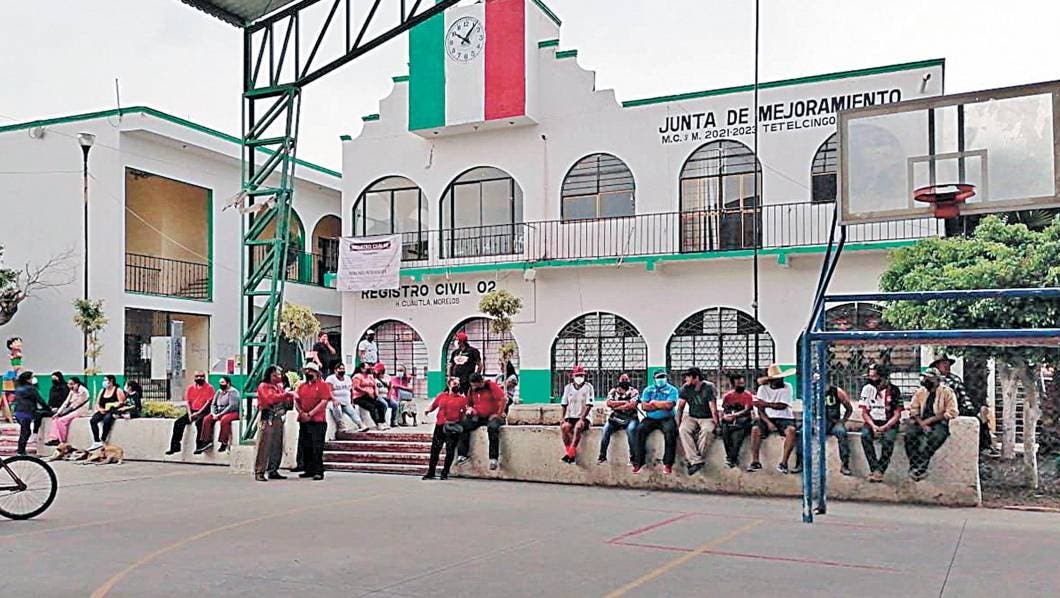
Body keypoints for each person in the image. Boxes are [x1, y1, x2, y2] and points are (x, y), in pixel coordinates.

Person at [933, 354, 995, 456]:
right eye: (944, 364)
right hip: (943, 408)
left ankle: (985, 446)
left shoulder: (955, 378)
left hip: (958, 406)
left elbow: (963, 395)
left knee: (980, 417)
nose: (947, 366)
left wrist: (970, 408)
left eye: (948, 364)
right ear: (937, 366)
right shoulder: (935, 380)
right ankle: (984, 447)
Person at [905, 367, 958, 481]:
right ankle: (914, 465)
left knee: (935, 437)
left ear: (937, 380)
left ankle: (921, 465)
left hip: (939, 422)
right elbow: (913, 409)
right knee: (909, 435)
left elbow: (951, 411)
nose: (925, 380)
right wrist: (922, 423)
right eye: (924, 378)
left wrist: (930, 420)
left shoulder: (947, 392)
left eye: (929, 378)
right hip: (921, 420)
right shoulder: (920, 392)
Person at [749, 364, 800, 474]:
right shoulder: (763, 389)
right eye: (778, 379)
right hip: (767, 417)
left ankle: (784, 463)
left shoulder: (787, 387)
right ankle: (755, 461)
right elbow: (760, 410)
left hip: (785, 417)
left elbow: (782, 405)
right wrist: (768, 422)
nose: (781, 380)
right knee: (755, 430)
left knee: (791, 431)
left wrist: (764, 403)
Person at [858, 365, 903, 482]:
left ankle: (881, 470)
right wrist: (873, 426)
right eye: (870, 376)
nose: (872, 379)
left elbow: (897, 414)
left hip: (889, 421)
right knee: (865, 436)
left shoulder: (894, 390)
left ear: (883, 377)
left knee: (888, 439)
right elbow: (864, 413)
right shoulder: (867, 389)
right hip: (872, 421)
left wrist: (885, 427)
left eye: (875, 376)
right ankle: (874, 468)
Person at [455, 373, 506, 470]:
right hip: (479, 416)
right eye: (472, 385)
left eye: (475, 385)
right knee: (463, 426)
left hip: (493, 416)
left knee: (492, 428)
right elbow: (469, 403)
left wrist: (498, 414)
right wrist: (471, 410)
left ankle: (493, 459)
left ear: (481, 382)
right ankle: (463, 455)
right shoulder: (472, 390)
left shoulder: (491, 386)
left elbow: (503, 399)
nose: (474, 387)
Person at [632, 370, 679, 475]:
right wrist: (661, 405)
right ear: (654, 379)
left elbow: (669, 405)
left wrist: (653, 403)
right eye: (659, 377)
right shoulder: (648, 390)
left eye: (663, 377)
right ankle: (638, 462)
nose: (661, 379)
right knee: (639, 430)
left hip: (667, 418)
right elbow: (644, 407)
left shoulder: (672, 390)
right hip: (651, 419)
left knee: (670, 432)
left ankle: (668, 464)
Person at [423, 376, 468, 480]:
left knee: (450, 450)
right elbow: (434, 405)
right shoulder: (442, 396)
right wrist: (428, 410)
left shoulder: (462, 399)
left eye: (458, 384)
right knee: (435, 449)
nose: (456, 386)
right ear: (449, 385)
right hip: (440, 424)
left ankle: (445, 472)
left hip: (452, 426)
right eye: (454, 384)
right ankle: (431, 472)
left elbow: (466, 412)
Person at [254, 366, 295, 482]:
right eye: (276, 375)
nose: (279, 377)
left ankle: (273, 469)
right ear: (270, 375)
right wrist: (286, 395)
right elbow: (270, 399)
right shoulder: (263, 386)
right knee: (264, 445)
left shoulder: (278, 387)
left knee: (277, 444)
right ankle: (260, 471)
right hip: (267, 416)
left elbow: (284, 401)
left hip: (278, 417)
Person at [676, 367, 719, 476]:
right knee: (683, 430)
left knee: (707, 431)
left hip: (707, 417)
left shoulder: (709, 387)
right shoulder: (685, 388)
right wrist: (677, 424)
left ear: (696, 377)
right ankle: (696, 461)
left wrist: (717, 424)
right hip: (692, 416)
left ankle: (694, 460)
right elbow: (680, 408)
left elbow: (713, 408)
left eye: (688, 377)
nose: (686, 379)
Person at [295, 362, 332, 480]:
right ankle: (308, 469)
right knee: (306, 445)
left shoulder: (322, 385)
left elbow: (324, 401)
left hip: (318, 420)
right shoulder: (302, 386)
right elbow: (296, 400)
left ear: (316, 373)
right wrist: (301, 412)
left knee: (317, 446)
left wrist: (311, 413)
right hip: (304, 420)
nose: (308, 373)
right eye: (307, 371)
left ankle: (318, 470)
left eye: (310, 371)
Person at [166, 371, 214, 455]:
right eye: (197, 376)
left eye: (201, 376)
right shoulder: (190, 388)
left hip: (203, 411)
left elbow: (208, 402)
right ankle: (175, 447)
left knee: (199, 423)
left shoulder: (209, 388)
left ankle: (199, 446)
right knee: (178, 423)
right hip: (192, 411)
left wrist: (198, 413)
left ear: (204, 377)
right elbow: (188, 402)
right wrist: (189, 414)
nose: (199, 378)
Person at [597, 373, 640, 465]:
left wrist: (616, 406)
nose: (624, 381)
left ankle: (634, 458)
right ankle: (602, 456)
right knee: (605, 430)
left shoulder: (634, 391)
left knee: (631, 430)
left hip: (631, 418)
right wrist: (625, 402)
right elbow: (609, 403)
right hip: (615, 418)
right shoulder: (613, 391)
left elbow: (632, 405)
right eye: (622, 380)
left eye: (626, 379)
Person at [559, 365, 594, 464]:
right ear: (573, 376)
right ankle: (569, 453)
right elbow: (564, 404)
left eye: (581, 375)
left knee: (578, 427)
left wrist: (582, 418)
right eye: (577, 375)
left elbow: (589, 404)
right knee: (564, 427)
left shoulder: (588, 387)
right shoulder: (568, 388)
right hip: (571, 416)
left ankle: (571, 452)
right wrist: (562, 418)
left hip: (584, 417)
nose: (579, 378)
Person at [196, 376, 240, 453]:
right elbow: (213, 404)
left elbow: (231, 406)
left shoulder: (233, 392)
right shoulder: (219, 392)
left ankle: (224, 442)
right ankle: (206, 441)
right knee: (207, 419)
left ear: (228, 383)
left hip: (231, 412)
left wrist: (219, 415)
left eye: (223, 382)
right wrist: (213, 413)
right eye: (220, 383)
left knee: (224, 420)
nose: (221, 384)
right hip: (218, 412)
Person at [719, 374, 754, 468]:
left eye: (742, 383)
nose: (741, 385)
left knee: (738, 436)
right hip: (730, 420)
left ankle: (732, 458)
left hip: (743, 420)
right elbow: (724, 410)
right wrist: (726, 417)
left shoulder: (747, 395)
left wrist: (735, 415)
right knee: (725, 432)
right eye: (738, 383)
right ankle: (730, 458)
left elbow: (747, 409)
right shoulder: (728, 396)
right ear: (733, 384)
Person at [12, 371, 50, 455]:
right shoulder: (31, 388)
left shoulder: (18, 388)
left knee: (25, 431)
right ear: (27, 379)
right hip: (26, 412)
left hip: (18, 412)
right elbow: (39, 400)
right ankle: (20, 451)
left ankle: (20, 450)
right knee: (26, 432)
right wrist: (48, 409)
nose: (33, 379)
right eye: (32, 377)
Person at [45, 377, 90, 446]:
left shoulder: (83, 391)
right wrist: (58, 413)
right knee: (55, 419)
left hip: (80, 410)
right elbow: (66, 402)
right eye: (68, 384)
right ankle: (55, 439)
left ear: (77, 384)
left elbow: (75, 405)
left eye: (72, 384)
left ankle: (62, 440)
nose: (69, 386)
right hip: (72, 409)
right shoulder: (72, 391)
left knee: (62, 420)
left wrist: (63, 413)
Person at [327, 363, 368, 434]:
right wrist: (334, 399)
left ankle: (361, 425)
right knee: (337, 408)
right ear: (335, 370)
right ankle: (341, 426)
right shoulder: (330, 379)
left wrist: (352, 401)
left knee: (352, 411)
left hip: (346, 401)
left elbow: (350, 390)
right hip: (333, 401)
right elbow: (328, 391)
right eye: (340, 369)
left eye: (343, 369)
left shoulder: (347, 378)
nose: (342, 370)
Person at [89, 374, 126, 450]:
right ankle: (97, 441)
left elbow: (122, 402)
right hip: (103, 410)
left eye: (105, 380)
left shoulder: (118, 390)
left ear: (111, 381)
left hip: (112, 410)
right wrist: (100, 409)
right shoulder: (102, 390)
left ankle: (103, 437)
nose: (104, 382)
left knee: (107, 419)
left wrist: (112, 406)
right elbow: (97, 403)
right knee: (93, 420)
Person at [824, 383, 854, 476]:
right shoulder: (812, 390)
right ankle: (800, 462)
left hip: (833, 423)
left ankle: (845, 464)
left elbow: (849, 408)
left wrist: (843, 421)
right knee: (802, 432)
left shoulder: (837, 391)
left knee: (841, 432)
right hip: (817, 423)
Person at [352, 362, 387, 429]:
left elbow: (374, 385)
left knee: (381, 405)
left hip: (370, 396)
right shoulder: (357, 376)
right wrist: (366, 391)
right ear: (362, 369)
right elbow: (356, 387)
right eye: (367, 368)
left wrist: (375, 393)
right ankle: (378, 424)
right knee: (372, 407)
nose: (369, 369)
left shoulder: (370, 376)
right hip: (359, 397)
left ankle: (382, 422)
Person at [36, 371, 70, 439]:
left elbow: (66, 400)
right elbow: (51, 399)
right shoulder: (53, 388)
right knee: (38, 412)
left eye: (55, 378)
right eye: (52, 379)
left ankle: (35, 433)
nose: (54, 380)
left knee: (40, 414)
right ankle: (35, 432)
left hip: (61, 409)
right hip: (52, 408)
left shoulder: (65, 387)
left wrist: (58, 408)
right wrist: (49, 407)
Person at [373, 363, 400, 427]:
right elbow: (375, 389)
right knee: (384, 404)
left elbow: (390, 388)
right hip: (379, 396)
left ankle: (393, 421)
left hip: (386, 395)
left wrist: (389, 396)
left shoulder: (388, 377)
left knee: (395, 405)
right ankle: (382, 421)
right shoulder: (374, 378)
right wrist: (377, 396)